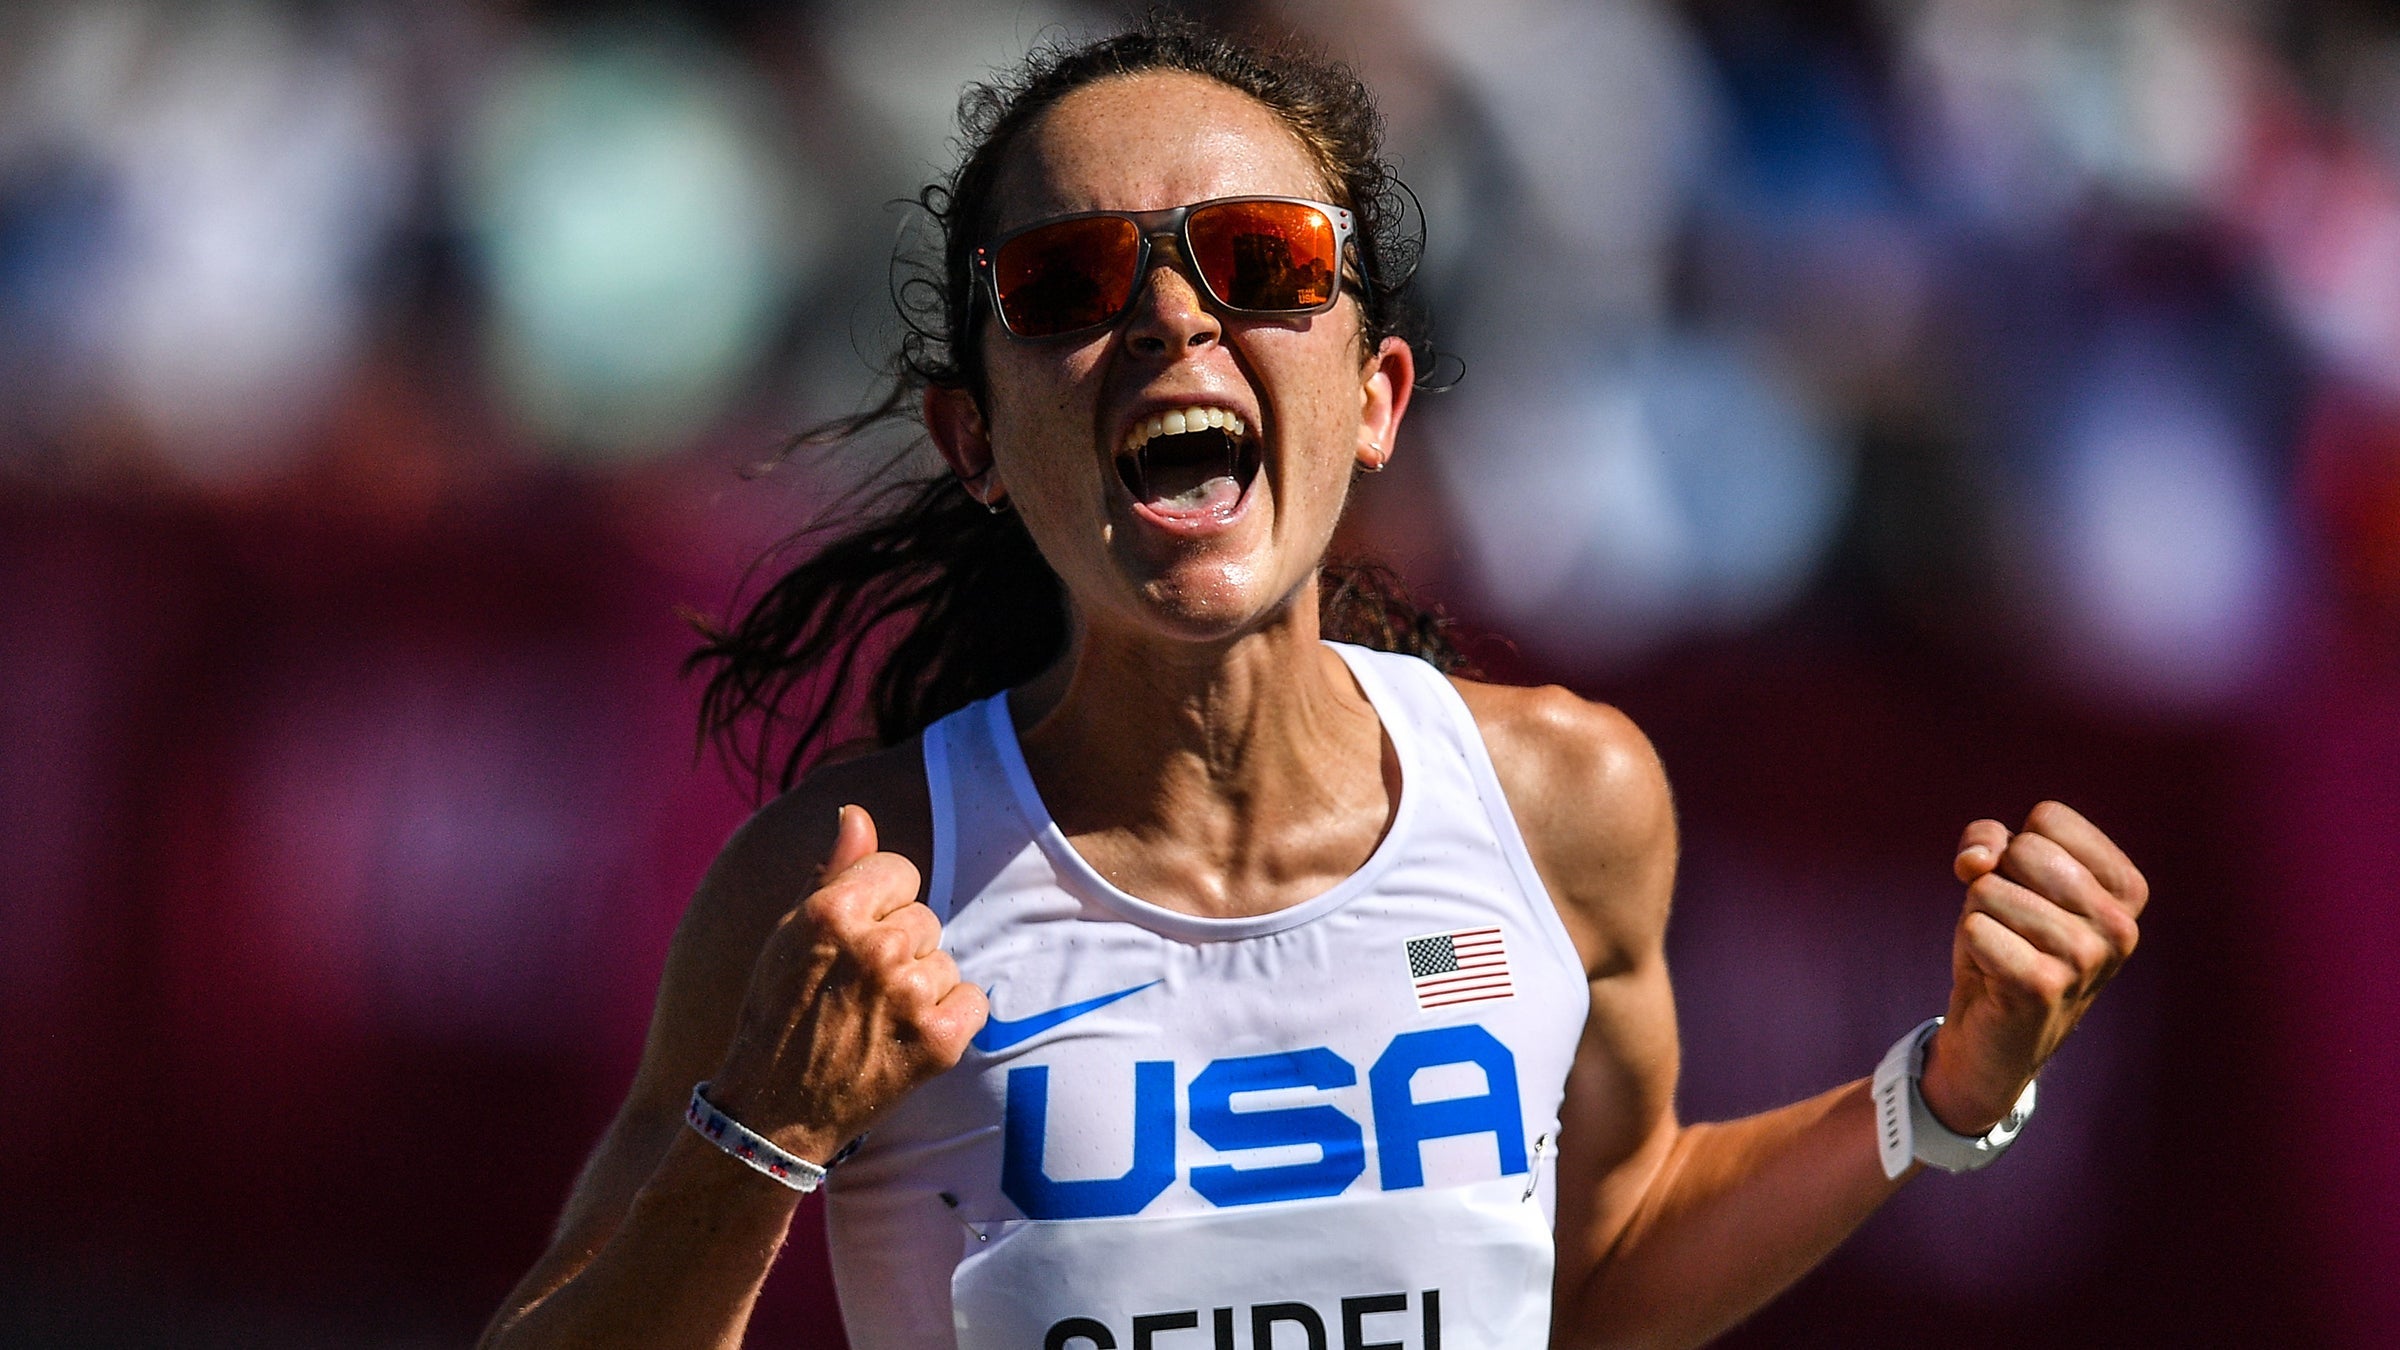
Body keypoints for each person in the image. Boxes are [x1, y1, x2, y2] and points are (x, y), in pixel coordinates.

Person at [480, 16, 2149, 1350]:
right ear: (973, 441)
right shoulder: (841, 886)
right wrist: (759, 1130)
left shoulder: (1567, 803)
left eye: (1263, 261)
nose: (1171, 319)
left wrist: (1937, 1098)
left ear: (1376, 395)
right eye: (1067, 283)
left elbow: (1598, 1276)